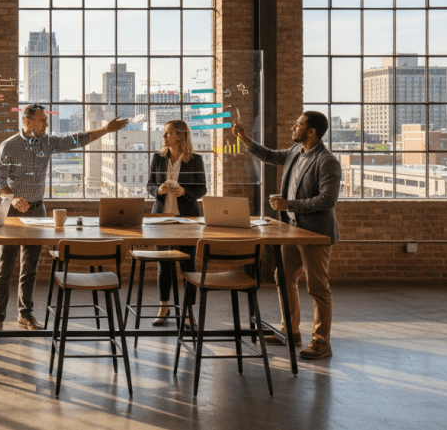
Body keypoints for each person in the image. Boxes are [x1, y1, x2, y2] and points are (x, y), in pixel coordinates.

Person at [0, 103, 130, 340]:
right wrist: (11, 197)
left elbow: (77, 139)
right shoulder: (9, 146)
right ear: (28, 122)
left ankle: (25, 314)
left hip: (38, 211)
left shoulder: (48, 142)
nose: (47, 123)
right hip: (13, 214)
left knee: (30, 267)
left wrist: (105, 129)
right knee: (5, 267)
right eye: (42, 120)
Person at [232, 111, 341, 360]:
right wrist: (244, 137)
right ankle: (290, 331)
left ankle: (321, 342)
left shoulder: (327, 161)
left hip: (315, 234)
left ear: (311, 131)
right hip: (291, 231)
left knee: (318, 288)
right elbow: (269, 155)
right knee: (283, 278)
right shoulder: (295, 152)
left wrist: (288, 204)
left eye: (298, 125)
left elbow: (327, 200)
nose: (293, 127)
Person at [146, 120, 207, 326]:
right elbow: (149, 185)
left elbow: (202, 189)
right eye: (164, 133)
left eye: (168, 133)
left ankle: (189, 312)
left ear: (180, 136)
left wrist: (184, 192)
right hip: (161, 218)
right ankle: (163, 307)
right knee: (164, 264)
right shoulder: (158, 158)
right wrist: (159, 190)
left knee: (188, 264)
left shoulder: (195, 160)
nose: (164, 137)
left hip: (187, 219)